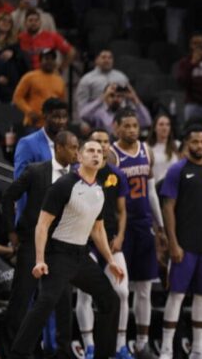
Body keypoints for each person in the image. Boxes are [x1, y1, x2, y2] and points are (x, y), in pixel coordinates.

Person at [9, 140, 123, 359]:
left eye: (100, 152)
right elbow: (42, 225)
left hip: (81, 255)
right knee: (45, 303)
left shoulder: (99, 190)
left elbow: (97, 230)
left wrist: (110, 261)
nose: (96, 154)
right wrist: (40, 259)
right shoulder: (64, 185)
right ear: (79, 157)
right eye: (90, 150)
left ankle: (104, 355)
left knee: (111, 300)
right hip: (58, 254)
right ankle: (18, 354)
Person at [1, 131, 78, 352]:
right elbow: (8, 196)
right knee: (22, 298)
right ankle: (13, 352)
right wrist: (11, 231)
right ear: (59, 148)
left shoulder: (79, 177)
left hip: (63, 246)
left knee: (63, 302)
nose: (76, 153)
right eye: (73, 148)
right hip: (32, 243)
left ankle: (61, 353)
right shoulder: (36, 171)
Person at [157, 125, 202, 359]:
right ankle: (166, 349)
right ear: (186, 144)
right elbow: (168, 208)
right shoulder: (176, 170)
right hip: (184, 246)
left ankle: (198, 349)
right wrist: (173, 243)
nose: (199, 146)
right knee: (176, 295)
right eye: (194, 142)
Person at [108, 108, 166, 359]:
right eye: (127, 125)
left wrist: (160, 226)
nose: (132, 129)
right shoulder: (111, 155)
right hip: (122, 227)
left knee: (144, 289)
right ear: (116, 127)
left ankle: (142, 343)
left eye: (135, 125)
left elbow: (151, 192)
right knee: (120, 289)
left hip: (144, 226)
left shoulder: (146, 151)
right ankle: (118, 343)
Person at [74, 128, 132, 359]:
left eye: (106, 142)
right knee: (85, 294)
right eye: (97, 142)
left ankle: (120, 346)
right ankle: (89, 345)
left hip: (110, 240)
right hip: (85, 242)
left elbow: (122, 210)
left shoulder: (116, 175)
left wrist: (121, 236)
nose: (102, 146)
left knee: (123, 292)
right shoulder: (77, 174)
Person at [12, 48, 66, 128]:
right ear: (40, 61)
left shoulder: (60, 81)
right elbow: (17, 98)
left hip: (53, 126)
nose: (49, 61)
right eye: (46, 59)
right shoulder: (30, 77)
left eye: (52, 59)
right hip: (34, 124)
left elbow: (62, 103)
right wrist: (30, 112)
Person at [0, 12, 29, 103]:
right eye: (3, 20)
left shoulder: (15, 43)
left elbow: (22, 63)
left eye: (9, 22)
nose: (6, 23)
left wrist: (13, 54)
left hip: (10, 85)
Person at [80, 82, 152, 132]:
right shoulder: (99, 113)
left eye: (119, 96)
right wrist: (102, 98)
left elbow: (147, 122)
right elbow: (83, 115)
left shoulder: (128, 113)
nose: (115, 99)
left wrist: (134, 98)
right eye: (112, 95)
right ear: (106, 96)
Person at [147, 114, 179, 182]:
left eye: (167, 124)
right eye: (161, 124)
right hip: (155, 185)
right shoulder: (147, 148)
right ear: (154, 128)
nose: (165, 128)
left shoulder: (177, 145)